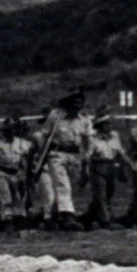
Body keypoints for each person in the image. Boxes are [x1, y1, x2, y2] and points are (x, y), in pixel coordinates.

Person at [44, 91, 93, 231]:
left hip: (75, 156)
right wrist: (41, 154)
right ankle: (68, 217)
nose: (77, 105)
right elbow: (45, 135)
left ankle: (50, 215)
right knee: (62, 185)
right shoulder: (55, 116)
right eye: (74, 102)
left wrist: (86, 158)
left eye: (80, 102)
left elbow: (88, 140)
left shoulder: (84, 119)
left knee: (69, 187)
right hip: (57, 154)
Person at [85, 113, 133, 229]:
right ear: (100, 126)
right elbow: (88, 156)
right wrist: (86, 170)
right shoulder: (93, 139)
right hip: (98, 166)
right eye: (106, 124)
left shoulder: (115, 136)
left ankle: (88, 217)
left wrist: (129, 164)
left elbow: (121, 152)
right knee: (101, 194)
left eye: (110, 124)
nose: (109, 126)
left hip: (111, 166)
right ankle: (105, 221)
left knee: (108, 193)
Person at [0, 117, 28, 230]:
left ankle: (17, 218)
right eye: (7, 130)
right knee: (5, 197)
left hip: (15, 173)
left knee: (18, 197)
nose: (10, 132)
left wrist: (24, 173)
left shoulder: (20, 143)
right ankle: (7, 219)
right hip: (1, 171)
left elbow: (22, 159)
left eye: (12, 130)